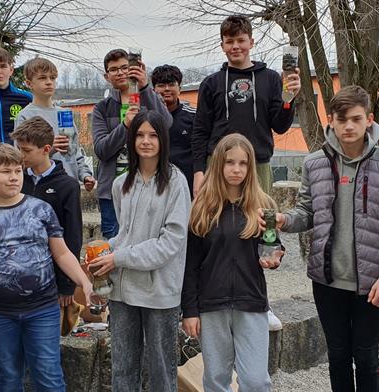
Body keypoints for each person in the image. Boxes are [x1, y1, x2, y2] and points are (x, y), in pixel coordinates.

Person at [277, 85, 379, 392]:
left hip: (372, 282)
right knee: (337, 355)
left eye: (356, 119)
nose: (349, 126)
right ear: (331, 121)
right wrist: (284, 220)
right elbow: (307, 212)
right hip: (327, 280)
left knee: (366, 357)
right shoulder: (314, 163)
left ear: (369, 120)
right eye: (342, 119)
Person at [0, 143, 94, 392]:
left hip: (42, 308)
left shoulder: (41, 209)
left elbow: (61, 253)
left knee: (48, 372)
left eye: (17, 171)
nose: (14, 177)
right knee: (7, 375)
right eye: (5, 172)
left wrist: (84, 282)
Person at [88, 111, 190, 392]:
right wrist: (104, 252)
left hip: (160, 292)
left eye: (153, 135)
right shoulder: (122, 184)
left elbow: (170, 243)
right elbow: (126, 236)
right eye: (140, 135)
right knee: (122, 371)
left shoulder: (176, 182)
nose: (146, 141)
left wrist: (118, 257)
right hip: (123, 292)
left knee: (162, 373)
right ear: (131, 140)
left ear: (163, 140)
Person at [182, 133, 281, 392]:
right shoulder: (203, 208)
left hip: (251, 303)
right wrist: (190, 310)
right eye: (229, 162)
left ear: (251, 167)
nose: (236, 169)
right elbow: (190, 265)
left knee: (256, 381)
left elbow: (272, 246)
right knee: (216, 376)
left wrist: (275, 256)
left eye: (243, 163)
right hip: (211, 305)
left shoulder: (263, 206)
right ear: (218, 164)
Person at [191, 15, 301, 196]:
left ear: (251, 42)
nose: (235, 46)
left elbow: (280, 127)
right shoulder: (211, 83)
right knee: (216, 214)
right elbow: (200, 131)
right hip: (218, 165)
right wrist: (198, 171)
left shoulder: (271, 78)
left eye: (241, 40)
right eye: (229, 41)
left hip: (258, 164)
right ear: (222, 46)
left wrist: (289, 99)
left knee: (259, 214)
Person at [90, 48, 172, 238]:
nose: (120, 72)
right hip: (112, 191)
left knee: (149, 239)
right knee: (114, 243)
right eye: (113, 69)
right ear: (107, 76)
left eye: (125, 67)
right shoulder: (101, 108)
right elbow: (101, 150)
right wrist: (125, 125)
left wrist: (145, 87)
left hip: (150, 186)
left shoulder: (151, 100)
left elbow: (166, 124)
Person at [13, 116, 83, 326]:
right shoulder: (17, 181)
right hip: (19, 274)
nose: (21, 155)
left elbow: (73, 236)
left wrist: (67, 285)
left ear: (45, 149)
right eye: (19, 149)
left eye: (26, 150)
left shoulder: (68, 186)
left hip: (52, 278)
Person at [15, 57, 96, 191]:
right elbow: (21, 158)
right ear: (29, 84)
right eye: (42, 78)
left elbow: (75, 151)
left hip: (69, 186)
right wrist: (50, 149)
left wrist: (85, 175)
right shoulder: (24, 116)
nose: (49, 82)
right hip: (40, 187)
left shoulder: (64, 114)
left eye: (52, 78)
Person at [152, 64, 196, 195]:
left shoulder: (194, 116)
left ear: (179, 89)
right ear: (153, 90)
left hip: (188, 187)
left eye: (171, 84)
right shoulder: (147, 119)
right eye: (161, 85)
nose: (166, 89)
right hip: (155, 186)